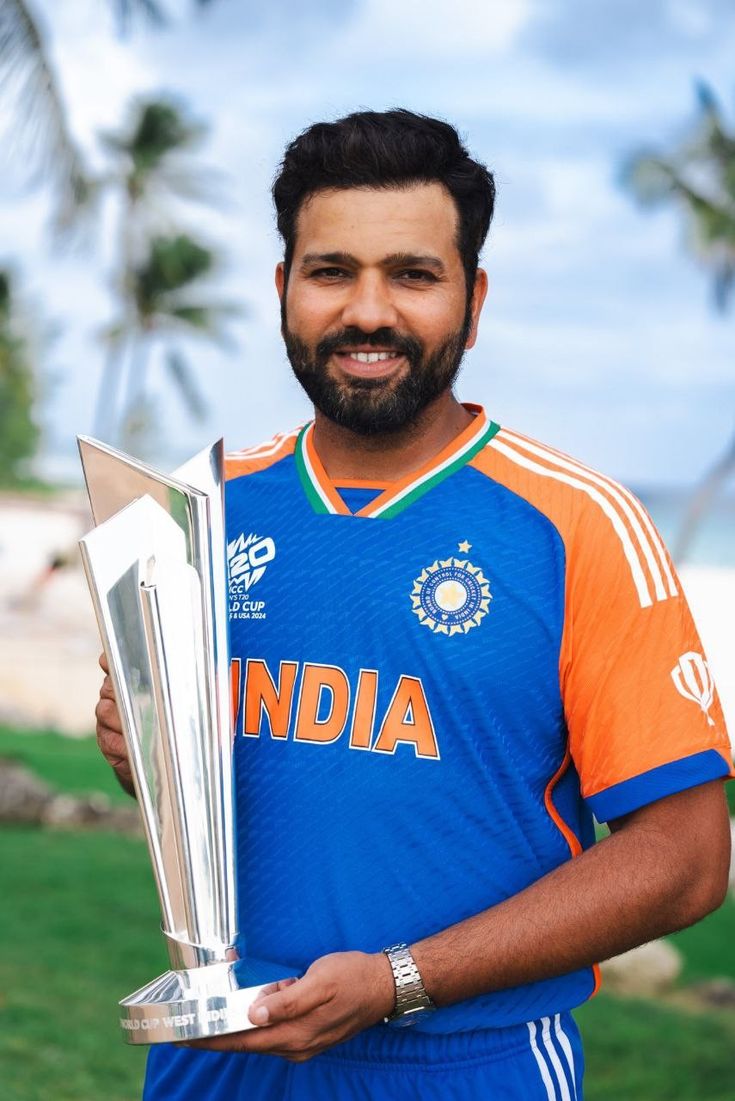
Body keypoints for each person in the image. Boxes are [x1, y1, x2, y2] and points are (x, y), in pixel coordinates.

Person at [95, 109, 734, 1101]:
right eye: (332, 270)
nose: (369, 312)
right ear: (284, 290)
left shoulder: (577, 523)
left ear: (473, 301)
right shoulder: (201, 507)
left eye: (414, 274)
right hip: (218, 1050)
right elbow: (228, 799)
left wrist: (402, 982)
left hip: (468, 1064)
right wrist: (146, 752)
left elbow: (687, 860)